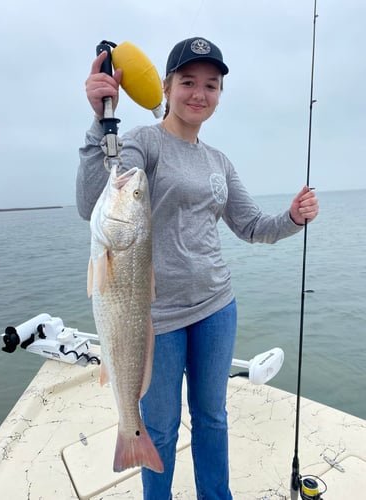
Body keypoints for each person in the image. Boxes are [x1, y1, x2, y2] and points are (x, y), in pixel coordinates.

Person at [76, 36, 319, 500]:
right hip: (153, 319)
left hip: (215, 307)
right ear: (166, 87)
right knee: (160, 428)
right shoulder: (143, 145)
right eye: (187, 82)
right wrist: (98, 122)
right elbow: (93, 202)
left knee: (212, 418)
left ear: (220, 95)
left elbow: (251, 226)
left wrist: (292, 218)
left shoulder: (218, 162)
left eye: (211, 85)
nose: (199, 93)